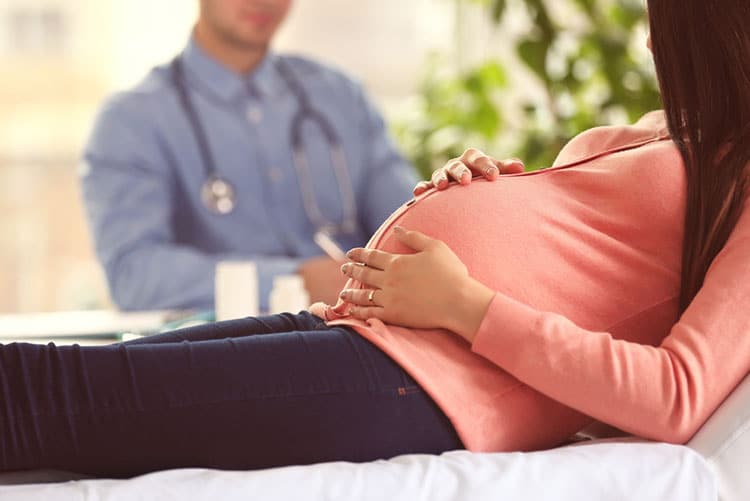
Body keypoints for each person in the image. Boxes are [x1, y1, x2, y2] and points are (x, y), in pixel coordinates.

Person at [2, 0, 749, 477]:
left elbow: (675, 393)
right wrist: (488, 184)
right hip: (370, 333)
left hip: (425, 378)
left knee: (53, 399)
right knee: (52, 382)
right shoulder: (651, 137)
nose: (650, 31)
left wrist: (467, 304)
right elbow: (579, 265)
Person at [80, 0, 418, 312]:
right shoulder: (132, 121)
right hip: (224, 358)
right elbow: (134, 274)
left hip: (362, 342)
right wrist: (296, 279)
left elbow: (413, 230)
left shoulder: (342, 97)